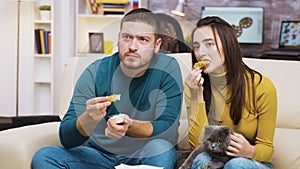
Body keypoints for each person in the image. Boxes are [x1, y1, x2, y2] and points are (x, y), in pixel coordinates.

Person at [32, 8, 183, 169]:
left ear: (156, 45)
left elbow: (168, 131)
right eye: (127, 37)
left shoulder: (168, 69)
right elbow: (66, 138)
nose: (133, 46)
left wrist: (129, 125)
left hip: (144, 155)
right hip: (99, 156)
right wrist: (88, 119)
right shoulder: (95, 71)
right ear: (118, 39)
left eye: (143, 39)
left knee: (162, 150)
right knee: (45, 157)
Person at [184, 16, 277, 169]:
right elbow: (197, 144)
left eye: (209, 44)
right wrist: (196, 96)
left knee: (236, 163)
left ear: (228, 46)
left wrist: (250, 150)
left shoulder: (262, 86)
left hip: (251, 162)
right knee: (201, 160)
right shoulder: (194, 86)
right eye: (196, 46)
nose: (201, 53)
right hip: (214, 157)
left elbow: (267, 149)